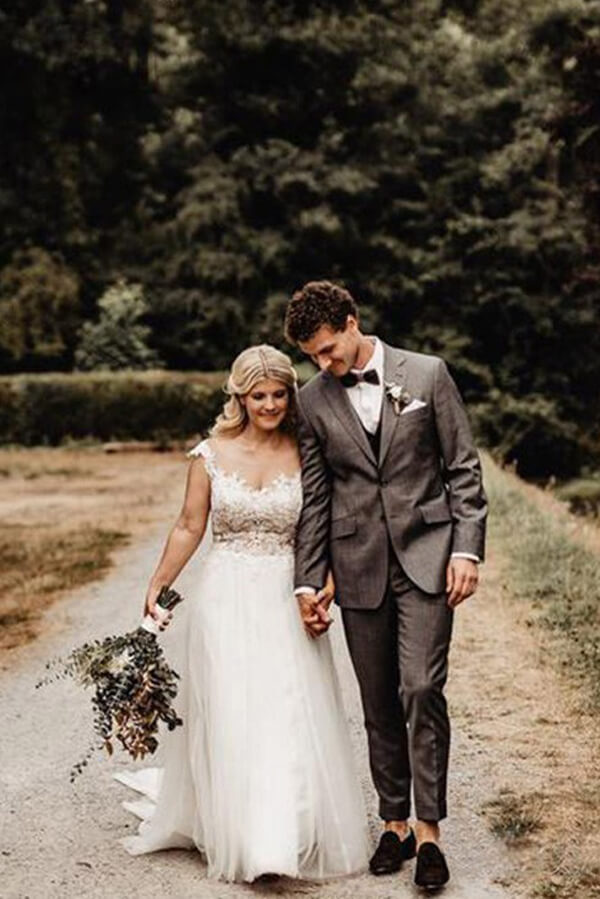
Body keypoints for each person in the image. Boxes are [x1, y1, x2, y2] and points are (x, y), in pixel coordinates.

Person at [113, 344, 369, 883]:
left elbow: (318, 528)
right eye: (259, 396)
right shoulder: (209, 455)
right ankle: (243, 831)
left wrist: (324, 584)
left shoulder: (307, 451)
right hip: (225, 596)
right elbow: (189, 525)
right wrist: (159, 582)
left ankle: (281, 834)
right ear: (240, 397)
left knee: (285, 710)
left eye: (279, 394)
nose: (271, 405)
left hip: (285, 595)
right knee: (233, 708)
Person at [285, 281, 487, 892]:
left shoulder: (427, 375)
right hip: (358, 565)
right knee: (376, 702)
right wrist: (306, 582)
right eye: (313, 356)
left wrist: (467, 548)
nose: (324, 364)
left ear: (352, 322)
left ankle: (429, 835)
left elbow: (463, 469)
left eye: (328, 350)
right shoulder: (314, 401)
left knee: (421, 688)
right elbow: (316, 498)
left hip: (428, 555)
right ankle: (393, 823)